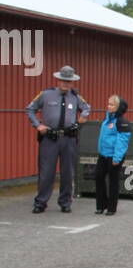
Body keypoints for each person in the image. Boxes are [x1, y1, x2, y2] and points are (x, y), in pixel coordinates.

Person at [26, 65, 91, 213]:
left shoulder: (75, 97)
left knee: (68, 172)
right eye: (63, 81)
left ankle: (65, 202)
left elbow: (87, 107)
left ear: (72, 82)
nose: (65, 84)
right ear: (58, 80)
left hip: (69, 138)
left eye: (68, 82)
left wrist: (83, 116)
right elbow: (30, 109)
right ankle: (40, 202)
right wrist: (38, 125)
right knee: (46, 172)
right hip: (50, 139)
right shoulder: (46, 94)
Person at [94, 95, 131, 215]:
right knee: (99, 178)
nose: (108, 106)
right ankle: (101, 205)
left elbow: (122, 141)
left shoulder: (121, 122)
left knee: (113, 182)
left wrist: (117, 157)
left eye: (112, 105)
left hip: (114, 156)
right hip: (103, 155)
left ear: (118, 107)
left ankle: (111, 207)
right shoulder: (106, 120)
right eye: (108, 104)